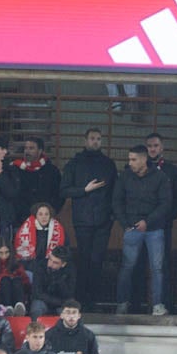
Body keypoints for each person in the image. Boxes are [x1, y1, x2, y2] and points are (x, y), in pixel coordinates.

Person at [111, 144, 173, 317]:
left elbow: (166, 204)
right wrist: (125, 223)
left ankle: (157, 305)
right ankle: (122, 303)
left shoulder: (160, 177)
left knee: (157, 268)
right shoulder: (124, 177)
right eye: (129, 159)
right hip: (131, 228)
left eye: (134, 159)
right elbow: (116, 201)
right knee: (127, 267)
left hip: (154, 229)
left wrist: (148, 221)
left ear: (144, 159)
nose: (130, 162)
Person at [58, 128, 116, 310]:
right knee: (83, 260)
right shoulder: (74, 163)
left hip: (103, 220)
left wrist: (112, 215)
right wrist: (84, 190)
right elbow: (64, 190)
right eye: (92, 138)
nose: (95, 142)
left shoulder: (108, 164)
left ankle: (94, 301)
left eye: (99, 139)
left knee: (98, 260)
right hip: (82, 220)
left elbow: (116, 191)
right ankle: (81, 300)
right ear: (85, 140)